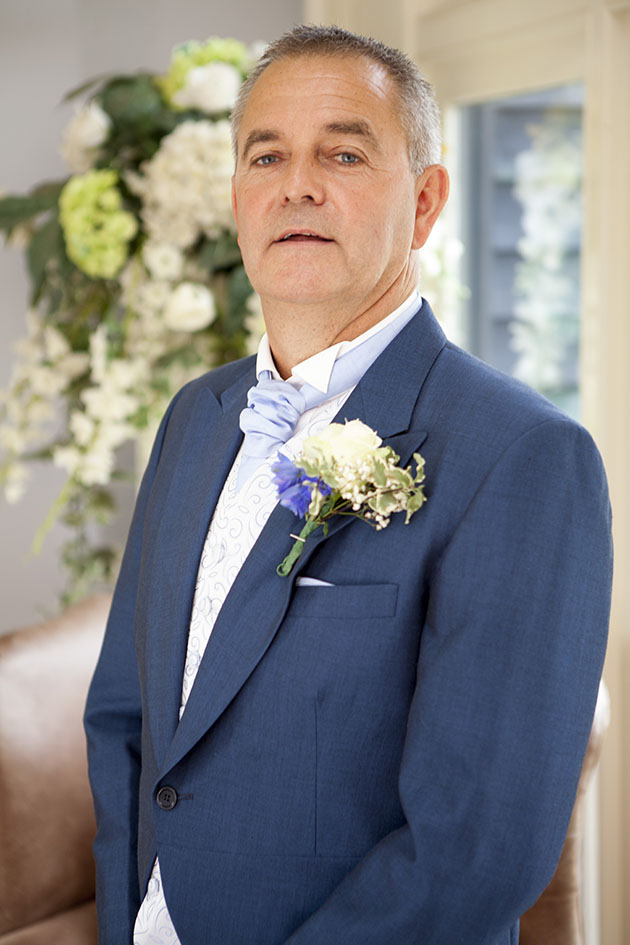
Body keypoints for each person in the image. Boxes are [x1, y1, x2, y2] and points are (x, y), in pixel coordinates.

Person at [84, 24, 612, 945]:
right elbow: (125, 715)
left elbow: (475, 850)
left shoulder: (525, 458)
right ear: (239, 196)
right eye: (267, 155)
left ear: (426, 200)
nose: (297, 183)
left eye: (343, 151)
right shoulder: (194, 417)